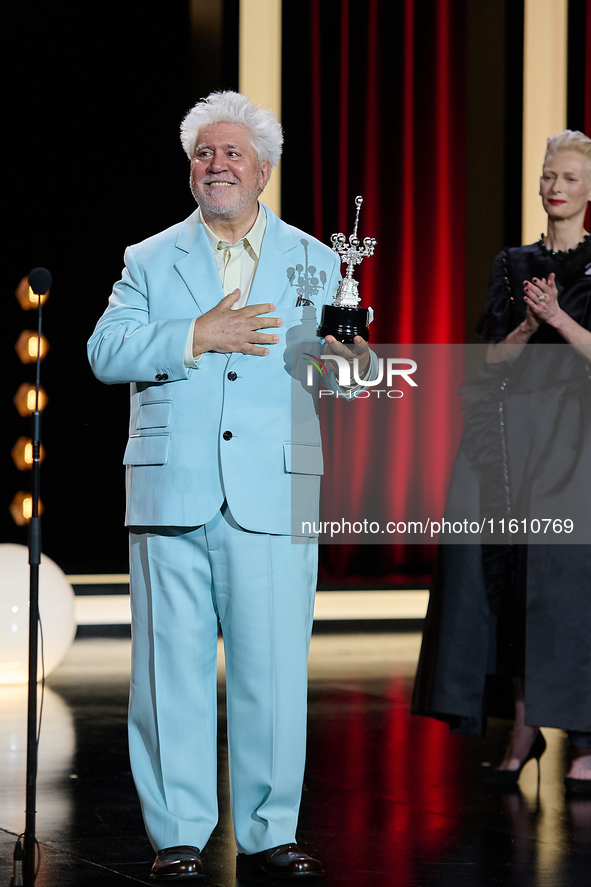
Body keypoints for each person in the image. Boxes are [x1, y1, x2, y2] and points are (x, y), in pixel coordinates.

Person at [88, 91, 373, 881]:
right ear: (191, 170)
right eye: (204, 154)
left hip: (272, 491)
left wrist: (351, 364)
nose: (217, 164)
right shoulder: (148, 257)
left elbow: (339, 370)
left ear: (264, 171)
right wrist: (192, 335)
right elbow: (103, 352)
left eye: (232, 153)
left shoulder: (317, 258)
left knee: (272, 672)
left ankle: (268, 831)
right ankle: (177, 833)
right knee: (167, 673)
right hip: (170, 489)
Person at [412, 130, 591, 793]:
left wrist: (560, 321)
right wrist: (520, 330)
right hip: (513, 431)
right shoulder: (511, 262)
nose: (555, 186)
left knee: (566, 581)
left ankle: (579, 730)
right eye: (548, 175)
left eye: (569, 176)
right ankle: (522, 723)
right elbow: (489, 359)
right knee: (509, 574)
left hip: (577, 435)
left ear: (587, 189)